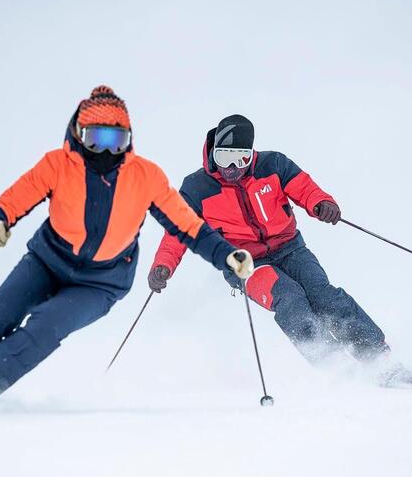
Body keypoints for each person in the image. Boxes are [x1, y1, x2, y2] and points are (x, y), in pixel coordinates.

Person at [0, 88, 253, 418]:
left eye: (117, 140)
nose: (106, 151)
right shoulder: (58, 164)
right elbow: (18, 196)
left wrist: (226, 255)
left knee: (47, 325)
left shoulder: (145, 176)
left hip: (102, 282)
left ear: (128, 140)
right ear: (78, 134)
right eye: (95, 139)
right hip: (47, 262)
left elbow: (189, 226)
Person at [148, 113, 392, 368]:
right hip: (244, 262)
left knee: (323, 296)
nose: (231, 168)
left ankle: (377, 358)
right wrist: (162, 266)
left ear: (251, 154)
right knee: (290, 299)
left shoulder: (273, 165)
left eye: (240, 159)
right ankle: (335, 365)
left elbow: (305, 188)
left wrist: (322, 203)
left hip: (290, 248)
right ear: (213, 153)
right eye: (224, 158)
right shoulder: (198, 187)